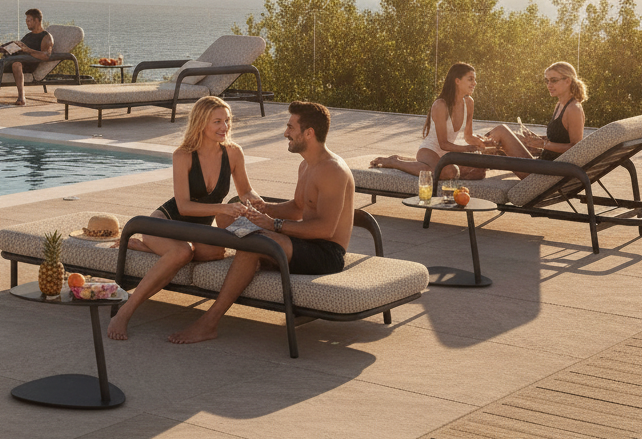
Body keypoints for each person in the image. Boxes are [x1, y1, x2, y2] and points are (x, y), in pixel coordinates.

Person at [168, 101, 354, 345]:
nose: (285, 133)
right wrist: (263, 209)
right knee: (226, 216)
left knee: (254, 244)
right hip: (302, 242)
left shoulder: (332, 170)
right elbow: (297, 208)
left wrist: (272, 224)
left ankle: (209, 323)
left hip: (325, 253)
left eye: (291, 127)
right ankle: (241, 256)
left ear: (308, 133)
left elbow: (325, 230)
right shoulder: (307, 165)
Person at [106, 96, 259, 341]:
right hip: (166, 223)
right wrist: (222, 208)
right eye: (217, 121)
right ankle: (124, 313)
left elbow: (246, 191)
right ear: (201, 123)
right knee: (182, 253)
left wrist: (262, 206)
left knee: (216, 252)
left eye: (227, 120)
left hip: (198, 230)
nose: (225, 127)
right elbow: (184, 206)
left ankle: (148, 248)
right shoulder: (183, 155)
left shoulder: (233, 153)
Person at [369, 62, 493, 180]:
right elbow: (443, 144)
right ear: (457, 81)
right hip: (430, 150)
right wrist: (466, 149)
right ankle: (395, 162)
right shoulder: (441, 105)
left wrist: (483, 143)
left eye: (474, 80)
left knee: (479, 172)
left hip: (449, 154)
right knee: (450, 172)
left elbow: (468, 136)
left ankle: (410, 161)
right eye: (470, 79)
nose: (474, 83)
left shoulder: (469, 103)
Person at [485, 61, 588, 176]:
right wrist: (534, 140)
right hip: (543, 165)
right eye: (547, 81)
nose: (549, 85)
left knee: (501, 131)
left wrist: (543, 144)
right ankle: (475, 161)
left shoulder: (574, 109)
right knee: (511, 136)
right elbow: (559, 139)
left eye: (554, 80)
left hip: (550, 173)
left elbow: (575, 148)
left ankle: (473, 160)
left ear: (568, 81)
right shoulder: (560, 104)